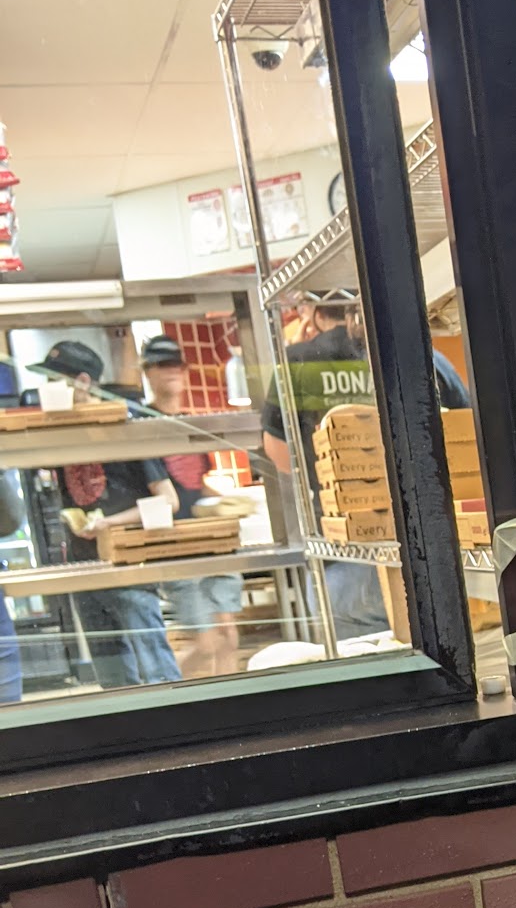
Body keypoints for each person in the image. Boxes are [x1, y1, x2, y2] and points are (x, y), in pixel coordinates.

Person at [260, 289, 471, 641]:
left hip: (346, 555)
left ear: (311, 310)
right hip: (432, 556)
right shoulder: (425, 356)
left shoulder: (296, 362)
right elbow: (467, 438)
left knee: (369, 662)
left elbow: (280, 456)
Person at [33, 341, 181, 688]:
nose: (46, 389)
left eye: (53, 380)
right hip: (84, 569)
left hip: (128, 565)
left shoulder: (125, 427)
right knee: (113, 681)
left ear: (82, 382)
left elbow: (168, 501)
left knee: (157, 673)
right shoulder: (59, 434)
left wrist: (109, 523)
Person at [139, 336, 242, 678]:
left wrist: (231, 502)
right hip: (175, 547)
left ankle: (233, 703)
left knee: (228, 637)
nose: (171, 372)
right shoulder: (143, 426)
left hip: (212, 542)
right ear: (147, 372)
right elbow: (158, 492)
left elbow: (198, 484)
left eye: (176, 365)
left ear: (184, 371)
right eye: (161, 365)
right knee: (206, 644)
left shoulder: (191, 424)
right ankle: (166, 690)